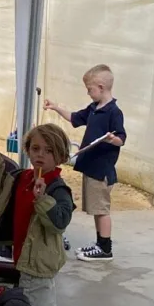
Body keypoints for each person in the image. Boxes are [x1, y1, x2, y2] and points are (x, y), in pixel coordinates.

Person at [0, 124, 75, 306]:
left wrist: (42, 199)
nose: (41, 154)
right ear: (27, 150)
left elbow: (59, 222)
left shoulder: (58, 188)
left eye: (49, 150)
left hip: (38, 265)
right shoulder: (22, 178)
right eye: (35, 148)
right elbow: (0, 182)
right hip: (26, 258)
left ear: (61, 156)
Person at [45, 63, 125, 262]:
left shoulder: (114, 112)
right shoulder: (93, 109)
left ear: (101, 87)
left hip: (101, 170)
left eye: (90, 89)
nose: (88, 93)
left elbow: (121, 138)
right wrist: (55, 107)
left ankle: (106, 248)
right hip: (90, 167)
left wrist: (110, 139)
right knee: (96, 209)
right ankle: (100, 244)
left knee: (101, 209)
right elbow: (74, 118)